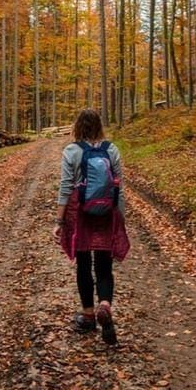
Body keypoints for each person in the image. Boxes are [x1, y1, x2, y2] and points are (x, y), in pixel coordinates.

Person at [53, 108, 130, 345]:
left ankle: (88, 315)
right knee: (104, 265)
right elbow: (119, 185)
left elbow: (66, 187)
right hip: (107, 212)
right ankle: (105, 305)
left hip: (81, 213)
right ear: (99, 126)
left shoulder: (72, 151)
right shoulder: (112, 149)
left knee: (84, 264)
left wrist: (58, 221)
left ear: (77, 126)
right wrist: (120, 217)